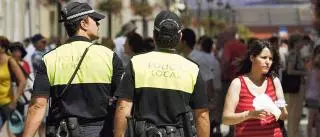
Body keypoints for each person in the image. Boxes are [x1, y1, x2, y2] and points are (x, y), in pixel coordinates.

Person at [22, 2, 123, 137]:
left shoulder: (49, 58)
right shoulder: (109, 56)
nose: (98, 24)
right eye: (95, 20)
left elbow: (37, 106)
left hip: (62, 131)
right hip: (99, 131)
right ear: (84, 23)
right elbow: (123, 101)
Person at [113, 11, 210, 137]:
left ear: (154, 35)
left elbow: (123, 107)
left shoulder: (136, 63)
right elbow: (202, 115)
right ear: (180, 37)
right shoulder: (192, 69)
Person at [222, 40, 288, 137]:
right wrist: (250, 114)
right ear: (252, 58)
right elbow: (226, 119)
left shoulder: (274, 81)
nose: (268, 62)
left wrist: (279, 108)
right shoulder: (238, 84)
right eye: (264, 57)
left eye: (270, 58)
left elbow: (283, 115)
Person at [0, 36, 26, 137]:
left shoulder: (10, 61)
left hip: (8, 104)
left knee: (18, 132)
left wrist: (15, 100)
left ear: (3, 47)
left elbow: (22, 81)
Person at [305, 46, 320, 137]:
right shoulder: (312, 67)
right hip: (314, 96)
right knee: (312, 119)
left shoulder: (313, 68)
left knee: (317, 119)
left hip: (314, 96)